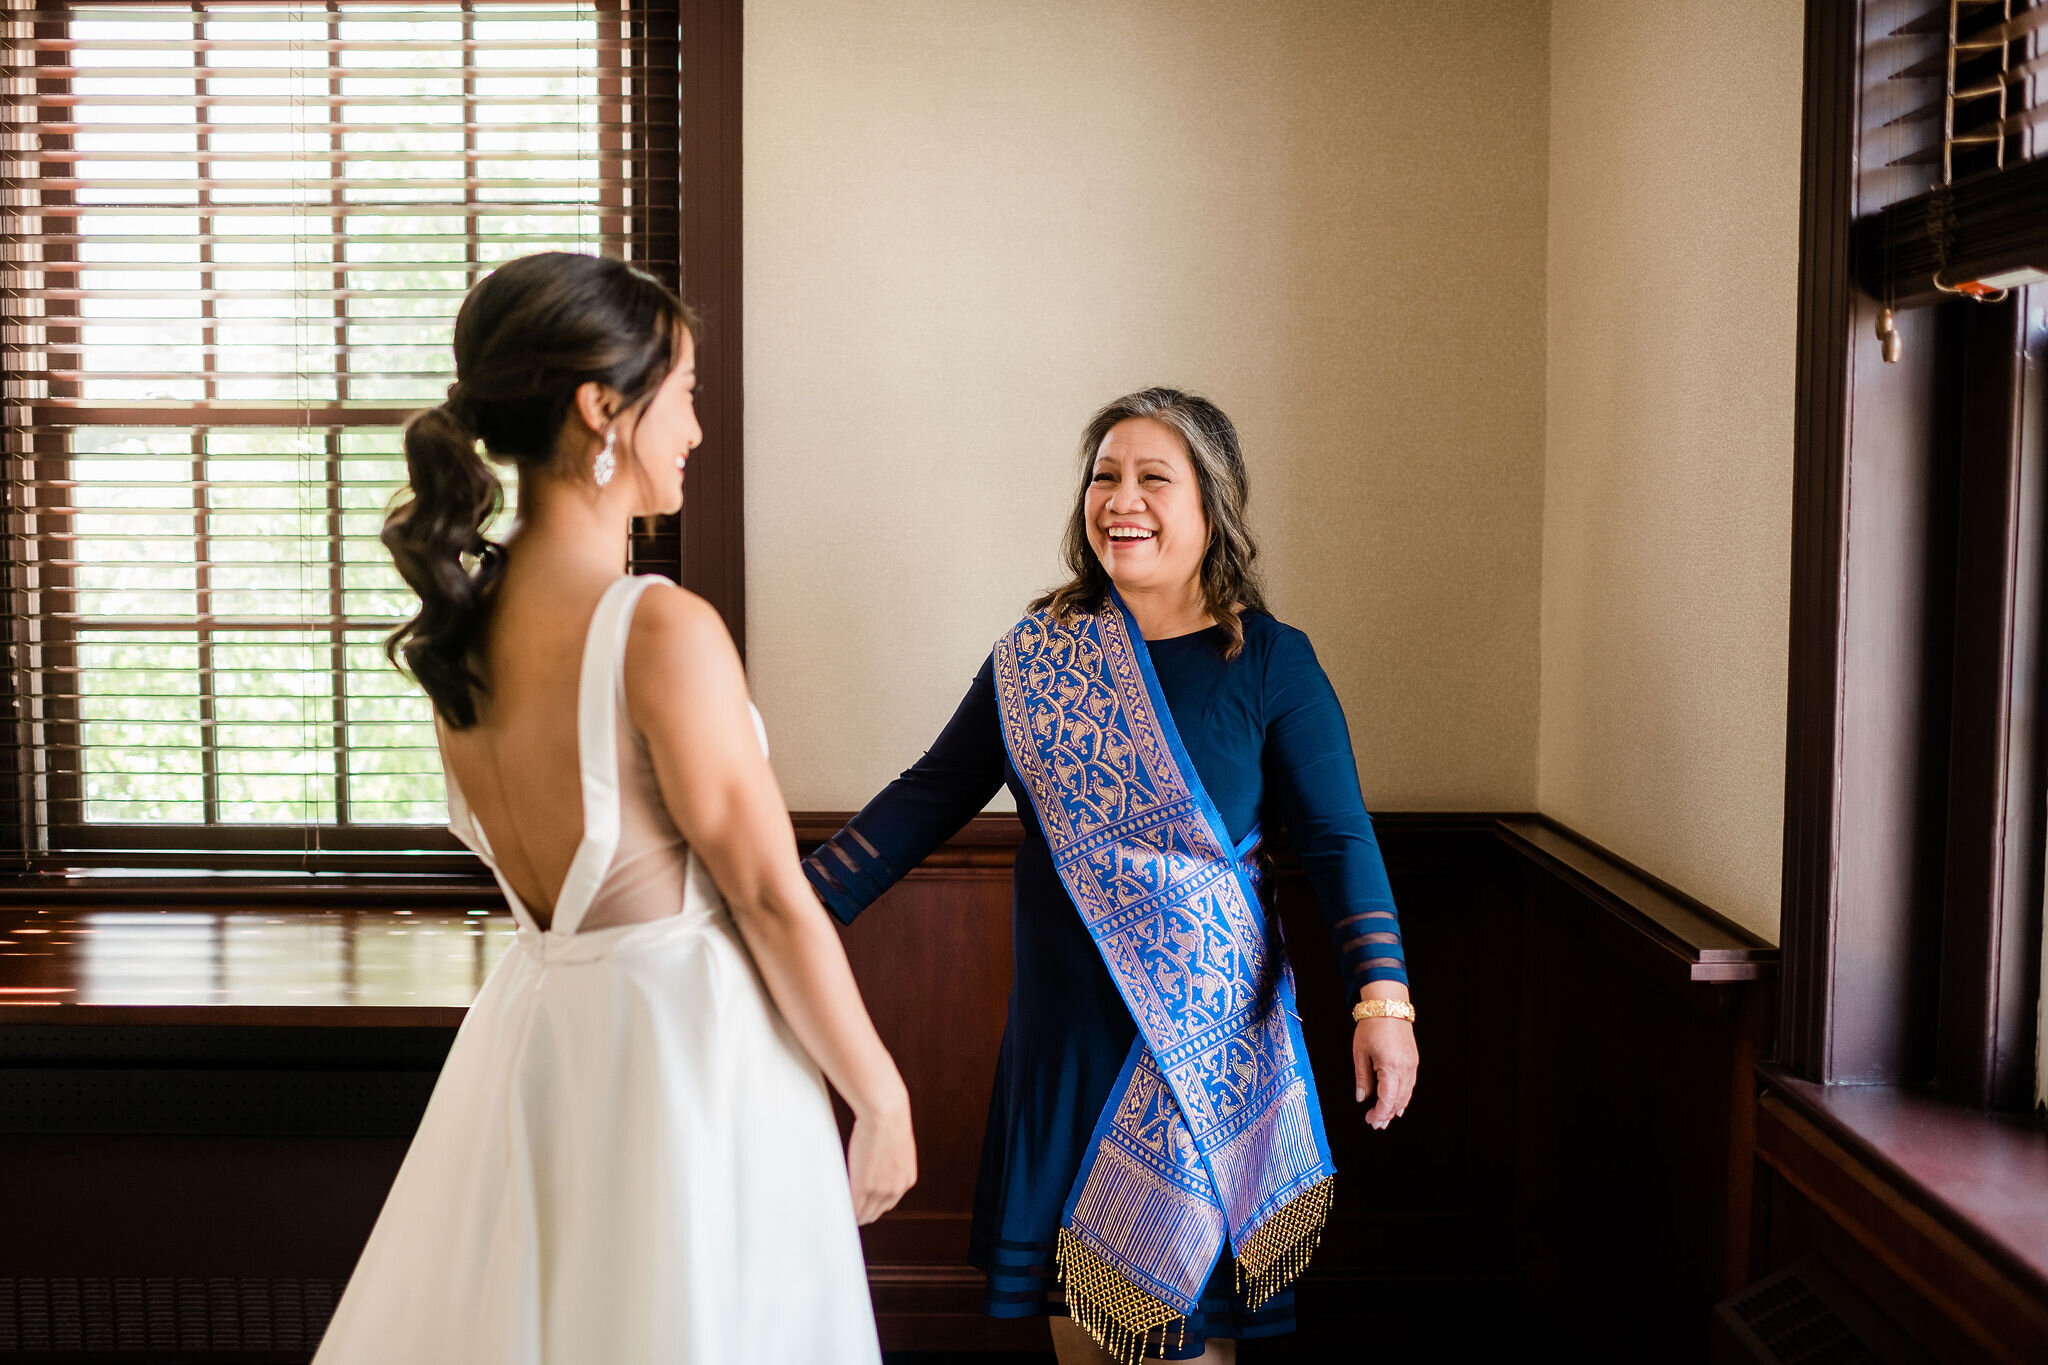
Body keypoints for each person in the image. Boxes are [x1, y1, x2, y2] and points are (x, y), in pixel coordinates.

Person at [313, 252, 914, 1364]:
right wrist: (877, 1095)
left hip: (539, 1041)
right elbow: (771, 897)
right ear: (602, 407)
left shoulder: (462, 633)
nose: (693, 428)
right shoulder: (656, 629)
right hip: (684, 1053)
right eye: (683, 393)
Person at [804, 388, 1417, 1364]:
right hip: (1065, 1052)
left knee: (1188, 1345)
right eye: (1103, 476)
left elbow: (1340, 840)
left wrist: (1382, 1001)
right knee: (1080, 1341)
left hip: (1202, 1056)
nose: (1119, 498)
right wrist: (783, 909)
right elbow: (927, 798)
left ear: (1211, 506)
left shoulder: (1268, 664)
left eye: (1151, 478)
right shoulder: (1036, 657)